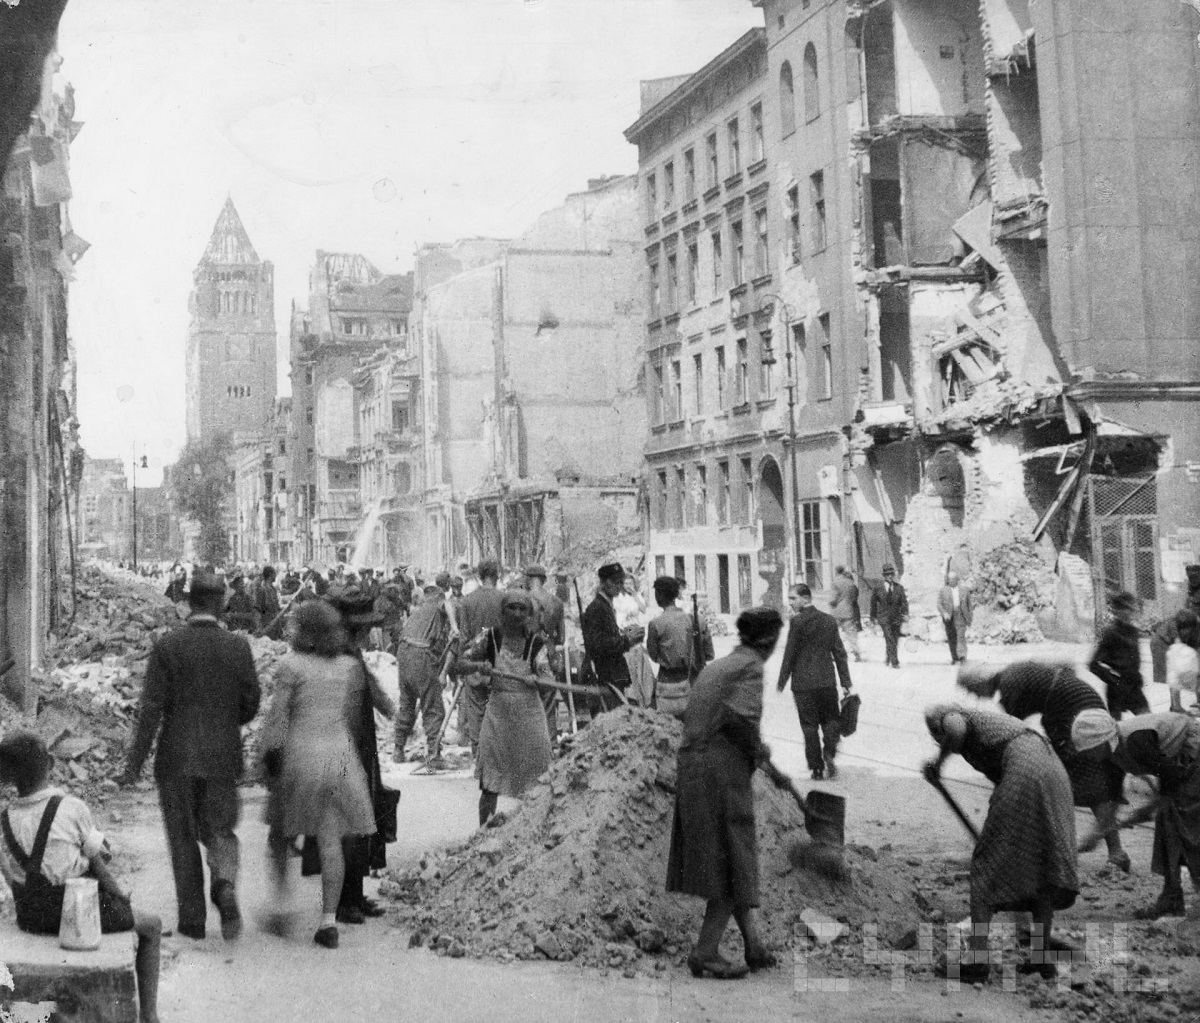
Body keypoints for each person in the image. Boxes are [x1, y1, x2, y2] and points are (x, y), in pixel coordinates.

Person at [119, 571, 261, 942]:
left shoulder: (168, 646)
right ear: (220, 603)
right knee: (220, 830)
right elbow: (251, 705)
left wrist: (133, 765)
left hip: (176, 758)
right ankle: (225, 884)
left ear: (189, 601)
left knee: (182, 839)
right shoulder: (238, 647)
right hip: (222, 758)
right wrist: (226, 718)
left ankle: (193, 921)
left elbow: (150, 709)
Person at [0, 733, 162, 1022]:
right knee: (151, 925)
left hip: (30, 918)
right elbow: (101, 867)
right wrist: (120, 897)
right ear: (50, 763)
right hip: (75, 917)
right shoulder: (71, 807)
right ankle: (150, 1016)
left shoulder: (4, 820)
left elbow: (12, 879)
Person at [666, 607, 784, 979]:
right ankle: (705, 952)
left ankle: (754, 945)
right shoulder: (751, 667)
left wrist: (756, 751)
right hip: (719, 770)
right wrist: (760, 753)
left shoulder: (721, 664)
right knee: (732, 860)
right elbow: (740, 720)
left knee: (730, 857)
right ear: (770, 640)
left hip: (697, 766)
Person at [924, 705, 1078, 982]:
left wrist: (938, 762)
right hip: (1053, 771)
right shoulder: (993, 729)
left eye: (939, 735)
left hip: (1028, 771)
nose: (943, 740)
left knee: (985, 866)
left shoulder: (952, 715)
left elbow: (956, 731)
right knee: (1042, 866)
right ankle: (1041, 959)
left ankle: (977, 963)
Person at [259, 602, 378, 949]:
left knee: (279, 835)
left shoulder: (291, 666)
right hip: (339, 757)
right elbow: (352, 718)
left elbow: (279, 717)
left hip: (301, 755)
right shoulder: (348, 667)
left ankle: (281, 909)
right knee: (331, 837)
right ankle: (328, 921)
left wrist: (266, 758)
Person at [958, 661, 1130, 871]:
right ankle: (1110, 852)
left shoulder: (1010, 689)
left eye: (971, 690)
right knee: (1083, 782)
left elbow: (1010, 733)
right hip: (1075, 711)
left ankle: (1106, 853)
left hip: (1078, 716)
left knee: (1083, 782)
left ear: (981, 681)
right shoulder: (1012, 673)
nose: (974, 696)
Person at [1072, 709, 1200, 919]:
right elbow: (1112, 797)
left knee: (1187, 827)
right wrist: (1097, 834)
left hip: (1193, 751)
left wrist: (1147, 809)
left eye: (1089, 750)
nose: (1087, 756)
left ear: (1102, 741)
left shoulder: (1135, 741)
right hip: (1174, 767)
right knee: (1166, 826)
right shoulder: (1110, 755)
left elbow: (1172, 778)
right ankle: (1171, 897)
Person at [325, 585, 396, 924]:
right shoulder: (340, 656)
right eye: (368, 627)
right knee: (348, 825)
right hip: (346, 749)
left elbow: (371, 689)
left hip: (361, 747)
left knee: (362, 820)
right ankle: (344, 901)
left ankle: (354, 894)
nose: (372, 632)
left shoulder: (350, 653)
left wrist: (385, 705)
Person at [453, 590, 554, 826]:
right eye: (512, 608)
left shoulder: (536, 643)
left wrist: (538, 679)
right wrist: (480, 665)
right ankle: (483, 833)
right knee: (490, 781)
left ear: (529, 614)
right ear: (502, 611)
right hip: (499, 716)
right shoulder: (489, 638)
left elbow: (548, 681)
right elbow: (459, 664)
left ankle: (533, 832)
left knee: (537, 779)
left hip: (529, 717)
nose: (517, 613)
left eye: (522, 609)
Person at [776, 584, 853, 780]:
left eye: (793, 598)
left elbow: (790, 654)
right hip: (827, 682)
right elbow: (839, 653)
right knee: (831, 721)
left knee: (809, 726)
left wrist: (781, 682)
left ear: (805, 598)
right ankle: (829, 753)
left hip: (803, 684)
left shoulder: (797, 622)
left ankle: (817, 768)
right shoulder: (828, 620)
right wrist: (845, 681)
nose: (790, 603)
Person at [393, 579, 454, 765]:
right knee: (433, 706)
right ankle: (434, 754)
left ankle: (398, 749)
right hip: (420, 655)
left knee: (407, 703)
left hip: (403, 654)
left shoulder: (418, 612)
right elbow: (447, 604)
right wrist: (455, 626)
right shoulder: (439, 606)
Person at [646, 576, 713, 718]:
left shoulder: (656, 624)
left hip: (668, 687)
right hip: (695, 683)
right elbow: (709, 654)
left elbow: (653, 656)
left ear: (659, 595)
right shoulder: (697, 620)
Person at [581, 563, 645, 713]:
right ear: (603, 582)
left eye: (620, 581)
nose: (618, 585)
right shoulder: (597, 608)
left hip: (614, 674)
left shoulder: (606, 605)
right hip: (605, 675)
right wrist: (627, 641)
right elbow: (597, 645)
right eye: (614, 581)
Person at [457, 561, 506, 756]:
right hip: (499, 664)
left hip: (475, 664)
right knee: (499, 710)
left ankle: (478, 754)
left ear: (478, 576)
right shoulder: (505, 599)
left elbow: (463, 637)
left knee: (476, 710)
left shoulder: (467, 601)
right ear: (497, 575)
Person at [1089, 590, 1148, 719]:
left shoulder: (1133, 631)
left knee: (1148, 720)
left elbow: (1135, 659)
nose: (1131, 612)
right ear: (1117, 611)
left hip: (1133, 686)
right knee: (1116, 728)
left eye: (1132, 608)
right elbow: (1093, 664)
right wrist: (1113, 679)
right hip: (1117, 689)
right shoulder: (1110, 633)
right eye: (1127, 608)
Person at [1150, 609, 1200, 713]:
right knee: (1174, 674)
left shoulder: (1192, 626)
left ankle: (1178, 706)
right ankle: (1176, 707)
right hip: (1162, 643)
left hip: (1168, 641)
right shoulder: (1183, 626)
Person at [870, 565, 908, 669]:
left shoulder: (899, 588)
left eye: (892, 574)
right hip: (884, 618)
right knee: (889, 637)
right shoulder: (878, 588)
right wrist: (872, 617)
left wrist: (905, 614)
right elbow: (873, 604)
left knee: (894, 639)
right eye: (887, 575)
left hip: (896, 618)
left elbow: (904, 603)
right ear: (884, 576)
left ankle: (888, 657)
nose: (890, 576)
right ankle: (895, 662)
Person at [937, 570, 973, 665]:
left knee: (960, 636)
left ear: (957, 579)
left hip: (960, 615)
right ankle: (954, 657)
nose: (950, 581)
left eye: (953, 579)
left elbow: (969, 605)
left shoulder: (964, 590)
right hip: (949, 617)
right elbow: (939, 604)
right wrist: (944, 613)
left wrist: (969, 618)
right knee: (951, 637)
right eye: (949, 579)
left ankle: (962, 657)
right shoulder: (943, 590)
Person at [829, 566, 861, 663]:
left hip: (837, 611)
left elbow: (833, 598)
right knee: (851, 634)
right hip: (849, 611)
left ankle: (834, 655)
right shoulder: (850, 583)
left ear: (836, 572)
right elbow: (854, 597)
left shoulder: (835, 582)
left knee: (834, 634)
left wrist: (831, 603)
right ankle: (856, 653)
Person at [254, 565, 283, 639]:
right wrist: (259, 628)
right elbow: (257, 610)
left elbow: (276, 606)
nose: (276, 576)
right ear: (271, 575)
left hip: (276, 625)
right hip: (267, 626)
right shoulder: (263, 590)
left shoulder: (273, 589)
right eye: (275, 573)